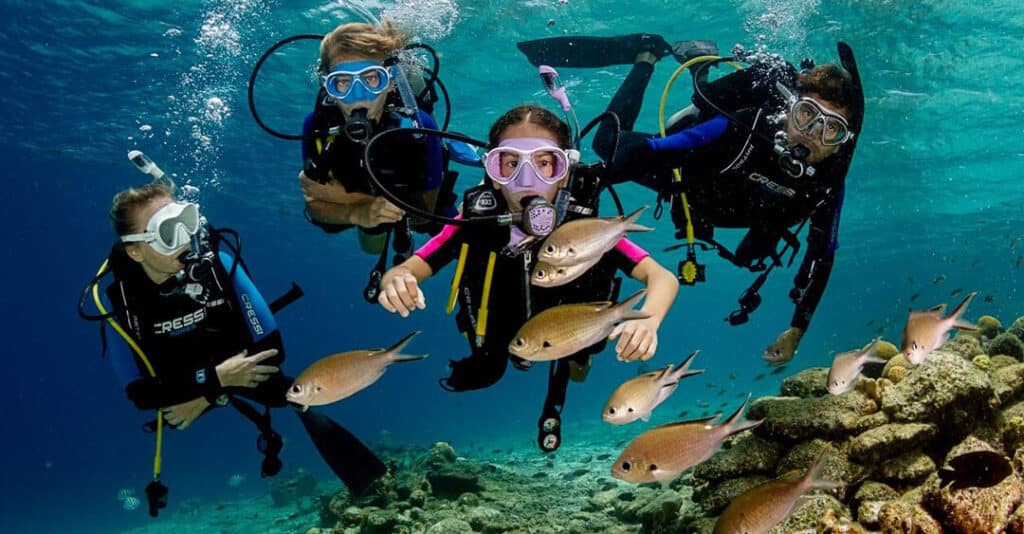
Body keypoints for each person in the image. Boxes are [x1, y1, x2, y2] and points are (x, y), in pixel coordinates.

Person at [519, 34, 864, 365]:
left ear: (841, 141)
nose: (811, 135)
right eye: (806, 115)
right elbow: (657, 149)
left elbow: (822, 255)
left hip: (731, 210)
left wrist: (797, 329)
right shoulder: (743, 128)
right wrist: (593, 178)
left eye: (831, 129)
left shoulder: (827, 183)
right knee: (606, 144)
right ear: (789, 110)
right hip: (687, 178)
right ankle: (646, 57)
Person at [375, 104, 679, 452]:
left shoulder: (584, 231)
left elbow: (661, 277)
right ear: (492, 171)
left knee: (577, 363)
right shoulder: (473, 222)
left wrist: (649, 321)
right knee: (486, 372)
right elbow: (412, 266)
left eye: (545, 163)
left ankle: (574, 361)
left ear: (564, 173)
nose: (526, 180)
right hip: (497, 329)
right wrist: (395, 278)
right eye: (510, 163)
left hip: (575, 329)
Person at [86, 182, 386, 516]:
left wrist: (208, 393)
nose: (186, 240)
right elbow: (140, 394)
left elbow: (272, 349)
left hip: (236, 365)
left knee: (289, 394)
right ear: (136, 251)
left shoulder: (218, 262)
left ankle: (369, 480)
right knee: (170, 413)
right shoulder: (117, 302)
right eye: (168, 232)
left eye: (187, 221)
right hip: (183, 379)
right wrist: (215, 381)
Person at [298, 20, 455, 262]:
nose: (358, 97)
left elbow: (424, 215)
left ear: (390, 80)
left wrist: (348, 201)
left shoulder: (418, 127)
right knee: (371, 244)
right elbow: (313, 207)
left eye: (372, 79)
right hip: (371, 209)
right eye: (342, 82)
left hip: (416, 199)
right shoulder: (318, 127)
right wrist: (359, 213)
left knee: (446, 233)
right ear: (328, 87)